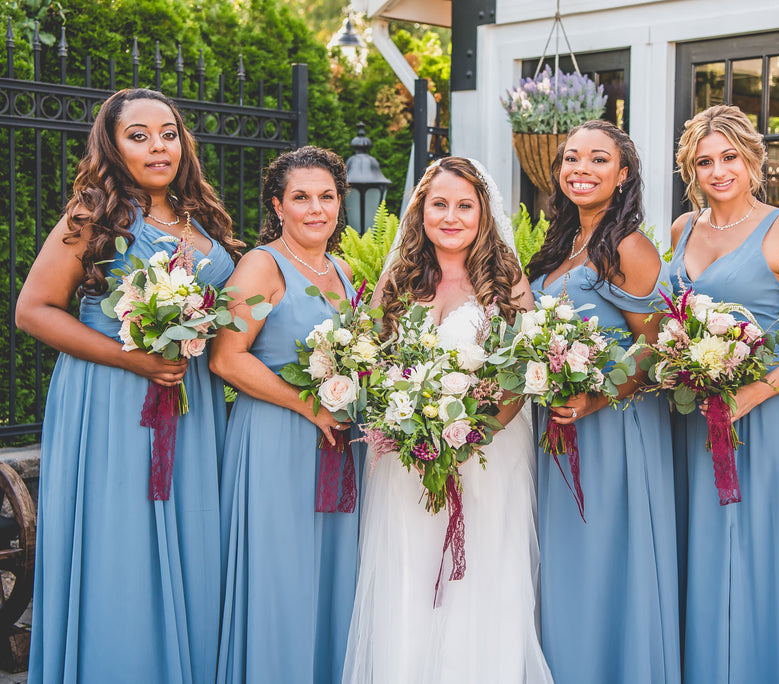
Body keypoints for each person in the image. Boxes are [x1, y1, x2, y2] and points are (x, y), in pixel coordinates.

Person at [15, 88, 241, 683]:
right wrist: (132, 359)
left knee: (193, 536)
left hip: (189, 409)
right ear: (112, 147)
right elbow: (33, 310)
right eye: (138, 136)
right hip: (111, 400)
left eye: (167, 132)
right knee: (121, 543)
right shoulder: (91, 218)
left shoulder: (204, 218)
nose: (157, 145)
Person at [342, 156, 552, 684]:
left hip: (488, 455)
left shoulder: (507, 280)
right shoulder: (399, 278)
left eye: (465, 205)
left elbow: (526, 372)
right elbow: (375, 360)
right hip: (406, 459)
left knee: (482, 574)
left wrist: (469, 436)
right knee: (409, 570)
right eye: (440, 204)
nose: (452, 216)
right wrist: (408, 426)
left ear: (484, 213)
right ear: (422, 211)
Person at [669, 104, 779, 683]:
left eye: (729, 158)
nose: (718, 171)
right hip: (698, 420)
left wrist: (756, 392)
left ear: (753, 160)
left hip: (770, 421)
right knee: (711, 555)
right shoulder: (681, 230)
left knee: (772, 559)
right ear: (690, 170)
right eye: (704, 161)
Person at [527, 119, 681, 684]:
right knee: (567, 562)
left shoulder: (628, 246)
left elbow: (656, 341)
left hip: (613, 425)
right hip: (559, 426)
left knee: (605, 557)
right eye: (571, 159)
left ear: (622, 175)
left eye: (597, 160)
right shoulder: (563, 243)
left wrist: (597, 397)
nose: (581, 170)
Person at [209, 146, 361, 683]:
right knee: (282, 574)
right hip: (276, 440)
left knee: (329, 575)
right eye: (300, 197)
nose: (315, 208)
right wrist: (309, 406)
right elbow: (226, 357)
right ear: (278, 205)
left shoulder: (341, 270)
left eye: (326, 196)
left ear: (340, 203)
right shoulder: (261, 265)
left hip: (336, 446)